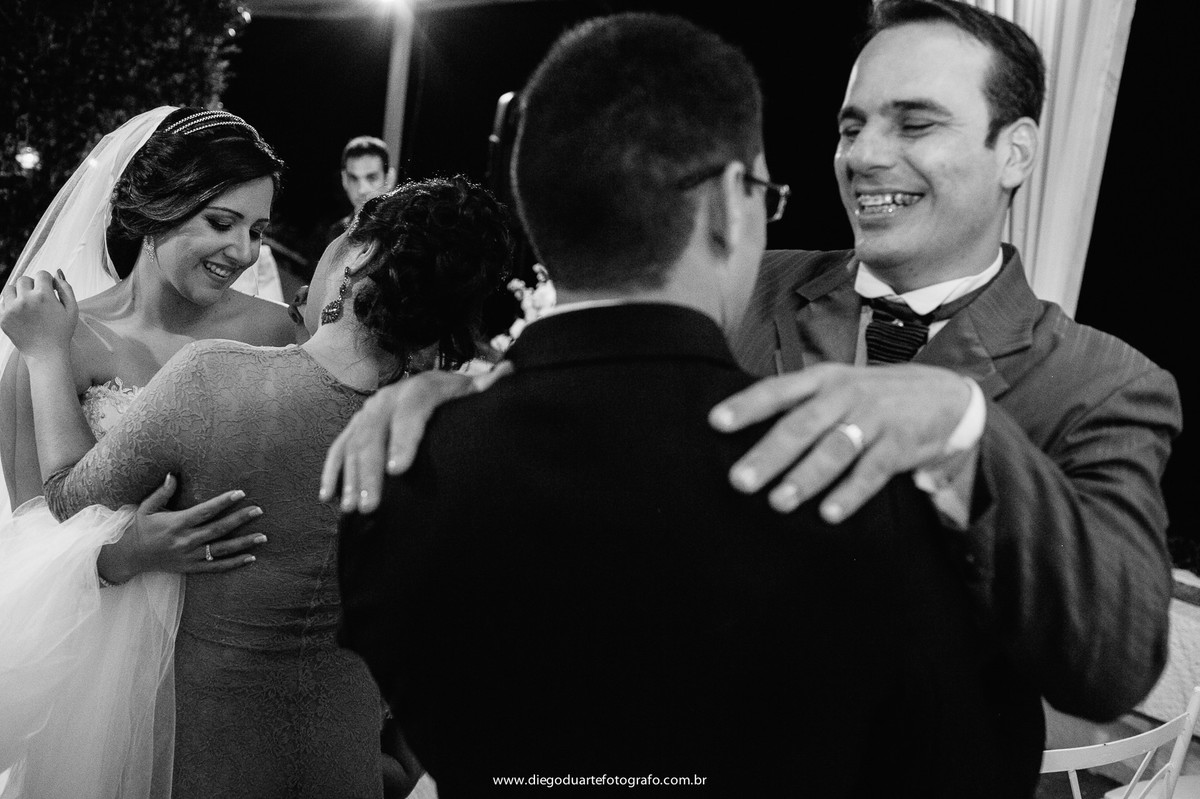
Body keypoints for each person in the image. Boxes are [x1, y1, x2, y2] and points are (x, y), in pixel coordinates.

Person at [325, 0, 1180, 727]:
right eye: (853, 125)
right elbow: (587, 401)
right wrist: (453, 393)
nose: (864, 156)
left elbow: (1115, 657)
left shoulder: (1106, 382)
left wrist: (964, 429)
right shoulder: (742, 275)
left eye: (914, 123)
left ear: (1017, 152)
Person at [5, 175, 511, 797]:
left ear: (359, 257)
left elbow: (63, 497)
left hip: (211, 752)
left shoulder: (215, 379)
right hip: (345, 752)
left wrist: (47, 355)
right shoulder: (443, 430)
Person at [0, 106, 294, 798]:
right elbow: (33, 533)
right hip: (101, 672)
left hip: (239, 646)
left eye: (257, 230)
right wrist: (132, 551)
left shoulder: (277, 334)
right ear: (156, 208)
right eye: (221, 222)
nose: (246, 251)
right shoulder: (54, 340)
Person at [325, 135, 397, 246]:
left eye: (371, 178)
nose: (362, 189)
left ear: (389, 178)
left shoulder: (403, 232)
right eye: (353, 178)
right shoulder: (336, 234)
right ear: (344, 179)